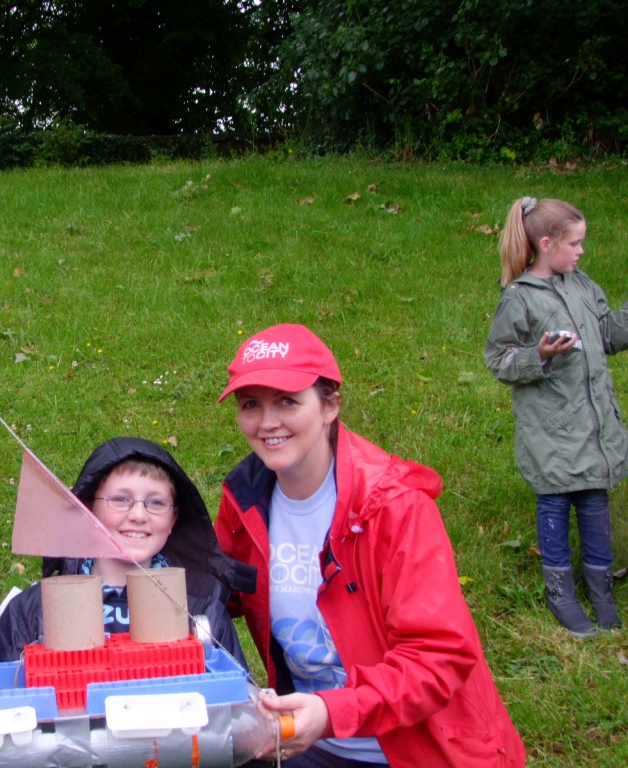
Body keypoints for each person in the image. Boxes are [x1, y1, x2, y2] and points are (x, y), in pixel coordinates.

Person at [214, 324, 525, 767]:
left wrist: (330, 711)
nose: (267, 422)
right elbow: (211, 594)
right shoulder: (246, 500)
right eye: (251, 405)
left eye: (287, 401)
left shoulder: (394, 506)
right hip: (308, 743)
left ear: (330, 405)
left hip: (413, 750)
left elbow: (439, 657)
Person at [485, 196, 626, 637]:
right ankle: (561, 589)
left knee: (594, 499)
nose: (582, 251)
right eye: (576, 243)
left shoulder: (581, 284)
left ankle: (600, 585)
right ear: (547, 244)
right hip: (552, 429)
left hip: (593, 421)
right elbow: (498, 358)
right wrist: (539, 354)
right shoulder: (520, 298)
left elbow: (604, 335)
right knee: (556, 501)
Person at [0, 437, 255, 667]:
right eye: (120, 499)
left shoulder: (201, 613)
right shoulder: (32, 611)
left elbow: (240, 710)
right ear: (89, 509)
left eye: (156, 502)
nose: (138, 515)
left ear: (174, 520)